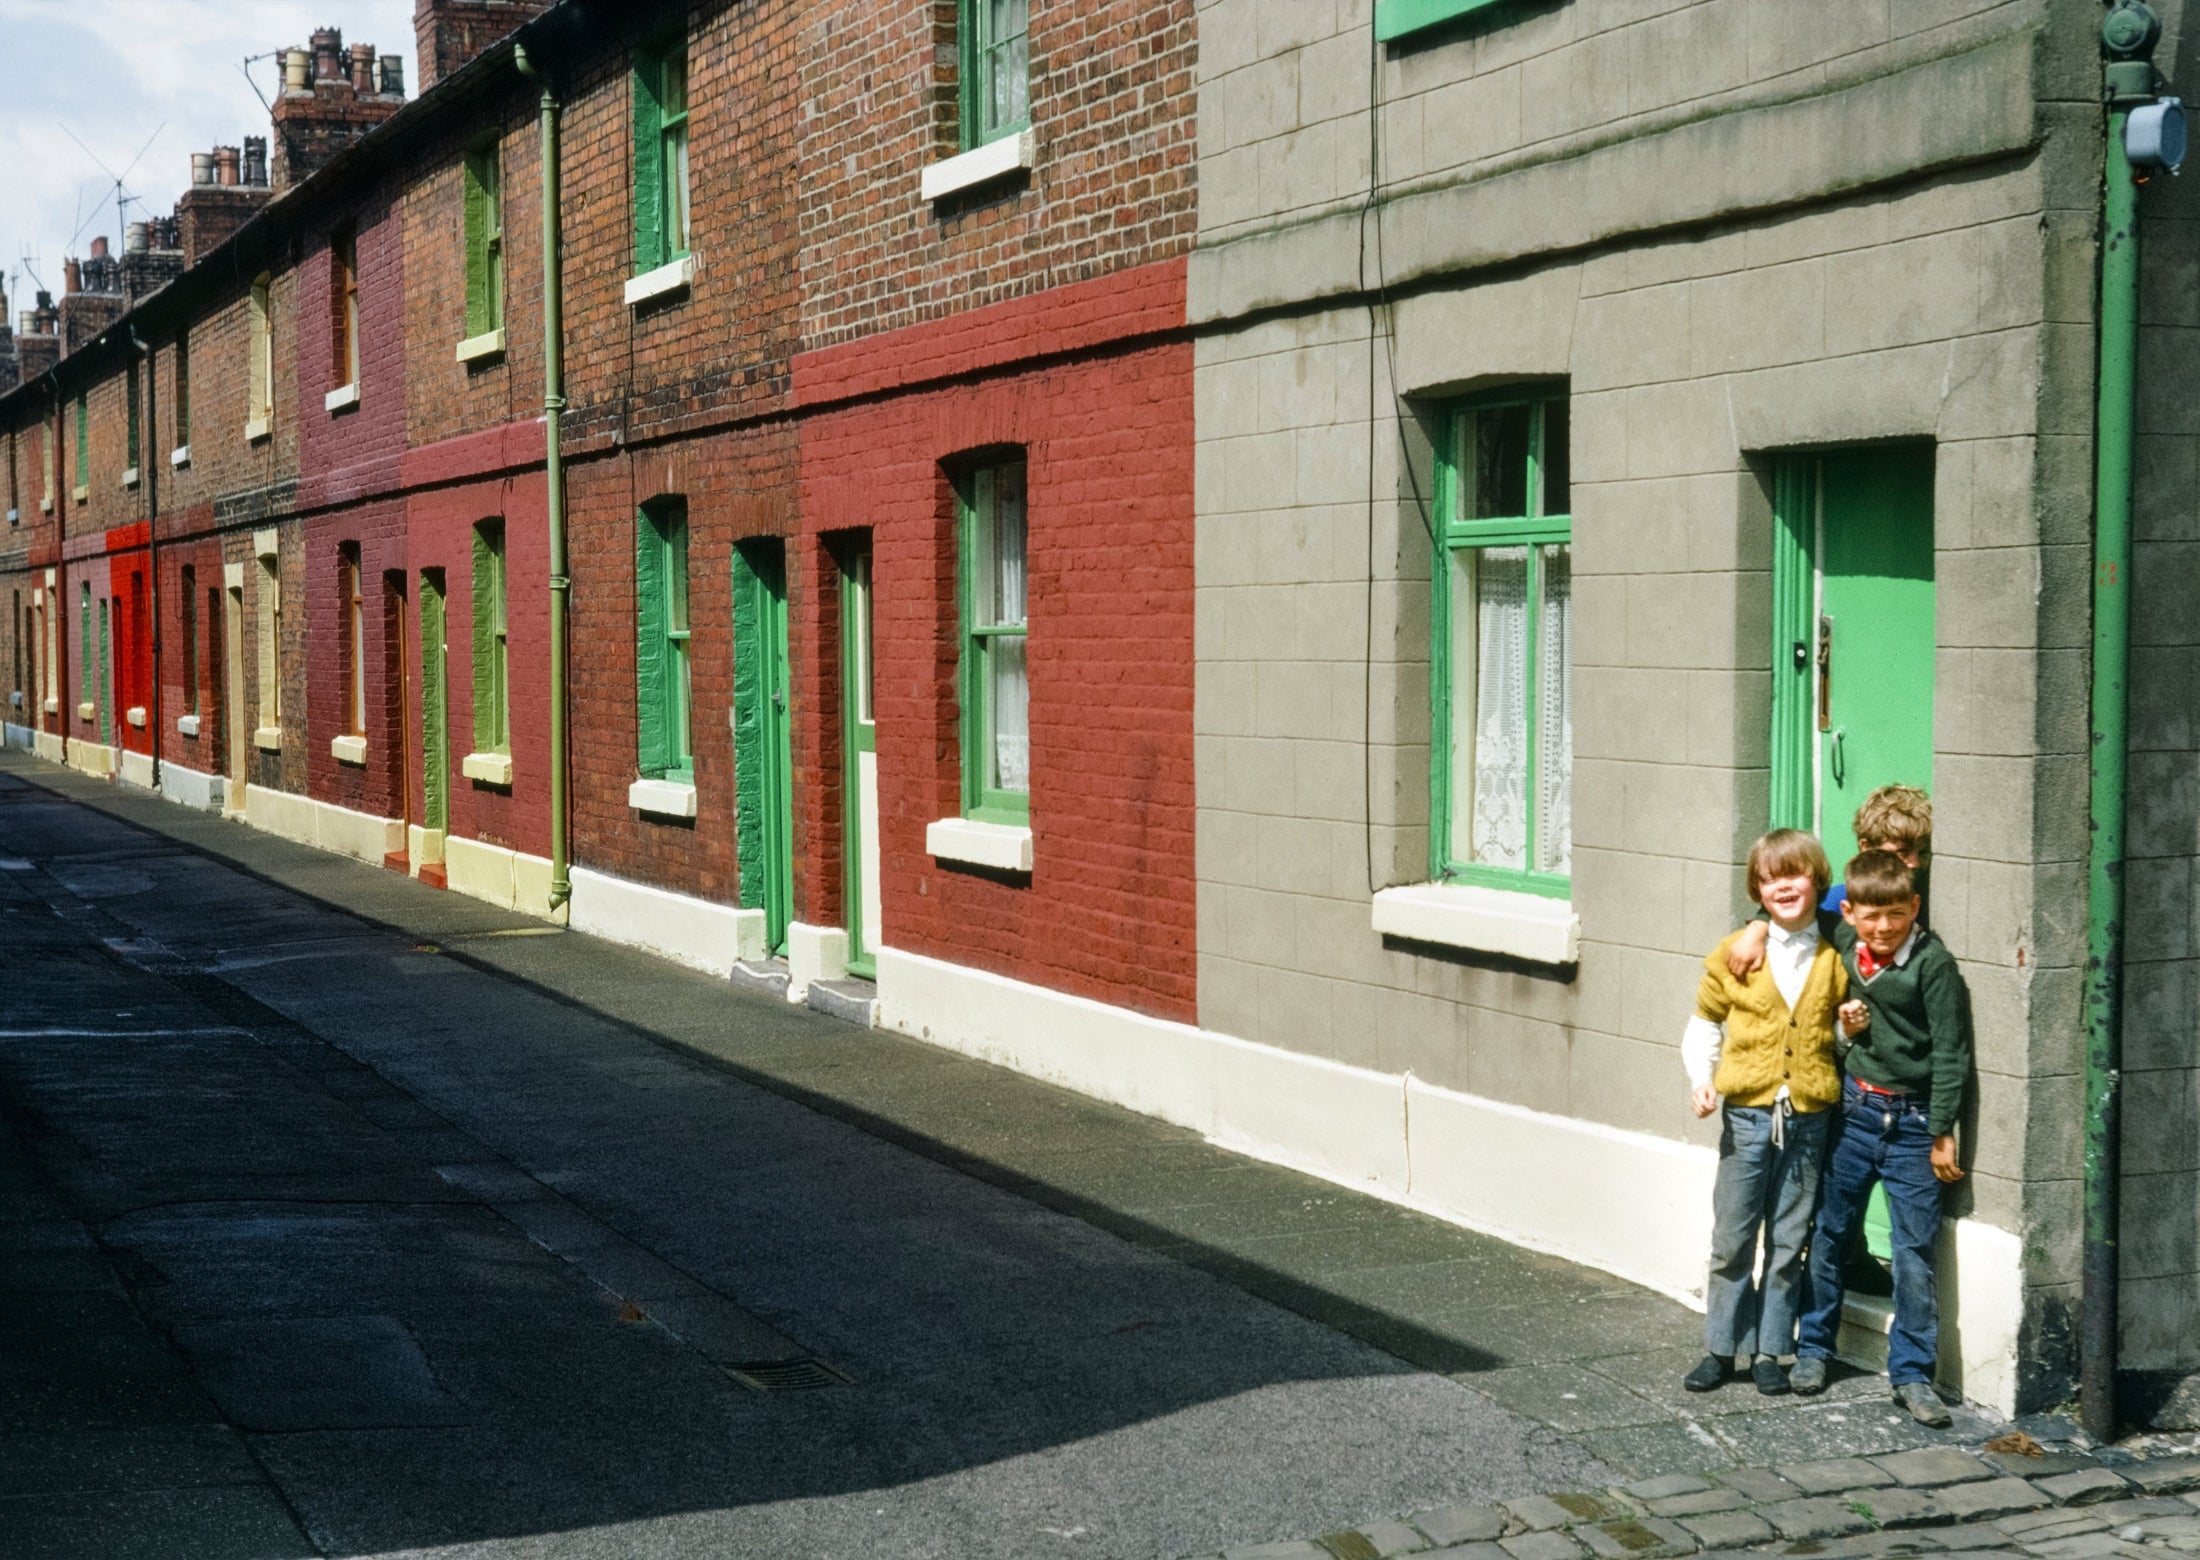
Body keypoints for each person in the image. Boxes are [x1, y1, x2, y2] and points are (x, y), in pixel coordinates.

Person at [1789, 850, 1971, 1426]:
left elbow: (1951, 1054)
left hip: (1914, 1125)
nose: (1884, 927)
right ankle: (1814, 1348)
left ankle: (1913, 1375)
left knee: (1914, 1252)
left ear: (1914, 907)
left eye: (1896, 914)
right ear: (1849, 912)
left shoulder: (1933, 966)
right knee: (1829, 1230)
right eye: (1871, 916)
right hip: (1854, 1112)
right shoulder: (1845, 942)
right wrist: (1747, 936)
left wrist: (1943, 1131)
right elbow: (1786, 910)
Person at [1678, 829, 1853, 1396]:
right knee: (1732, 1236)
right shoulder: (1738, 952)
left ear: (1817, 882)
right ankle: (1721, 1348)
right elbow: (1704, 1023)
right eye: (1771, 878)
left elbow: (1825, 1036)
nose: (1784, 886)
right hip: (1748, 1117)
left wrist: (1845, 1032)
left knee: (1786, 1240)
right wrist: (1702, 1081)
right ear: (1758, 888)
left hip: (1808, 1119)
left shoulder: (1834, 957)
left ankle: (1771, 1350)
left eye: (1795, 875)